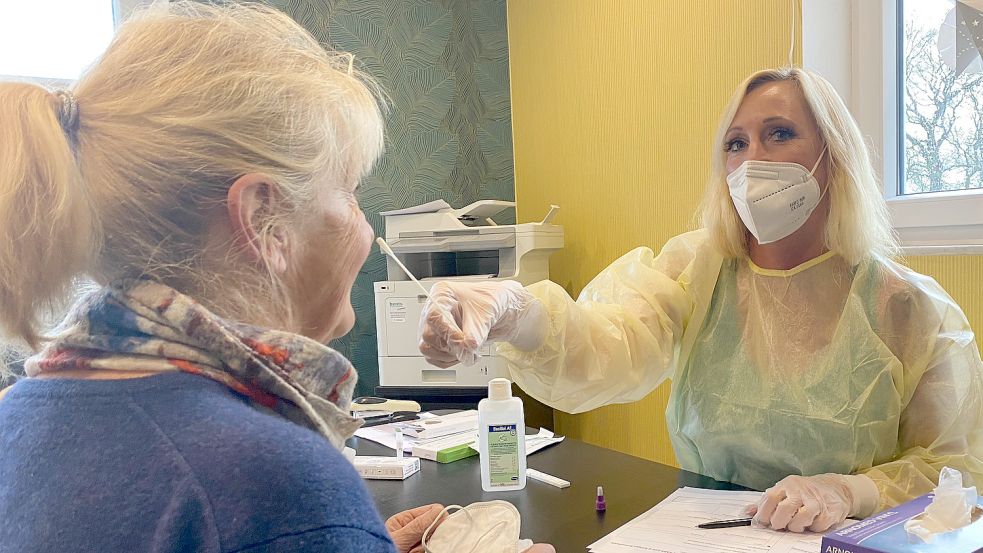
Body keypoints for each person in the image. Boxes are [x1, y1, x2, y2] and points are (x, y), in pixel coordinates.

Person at [0, 4, 560, 552]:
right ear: (264, 220)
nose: (365, 227)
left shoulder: (16, 417)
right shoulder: (276, 481)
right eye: (350, 191)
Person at [419, 67, 983, 533]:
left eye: (780, 133)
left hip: (850, 541)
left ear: (832, 158)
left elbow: (955, 470)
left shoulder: (907, 308)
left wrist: (847, 490)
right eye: (736, 143)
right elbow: (609, 343)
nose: (751, 159)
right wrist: (514, 311)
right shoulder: (696, 269)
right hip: (712, 532)